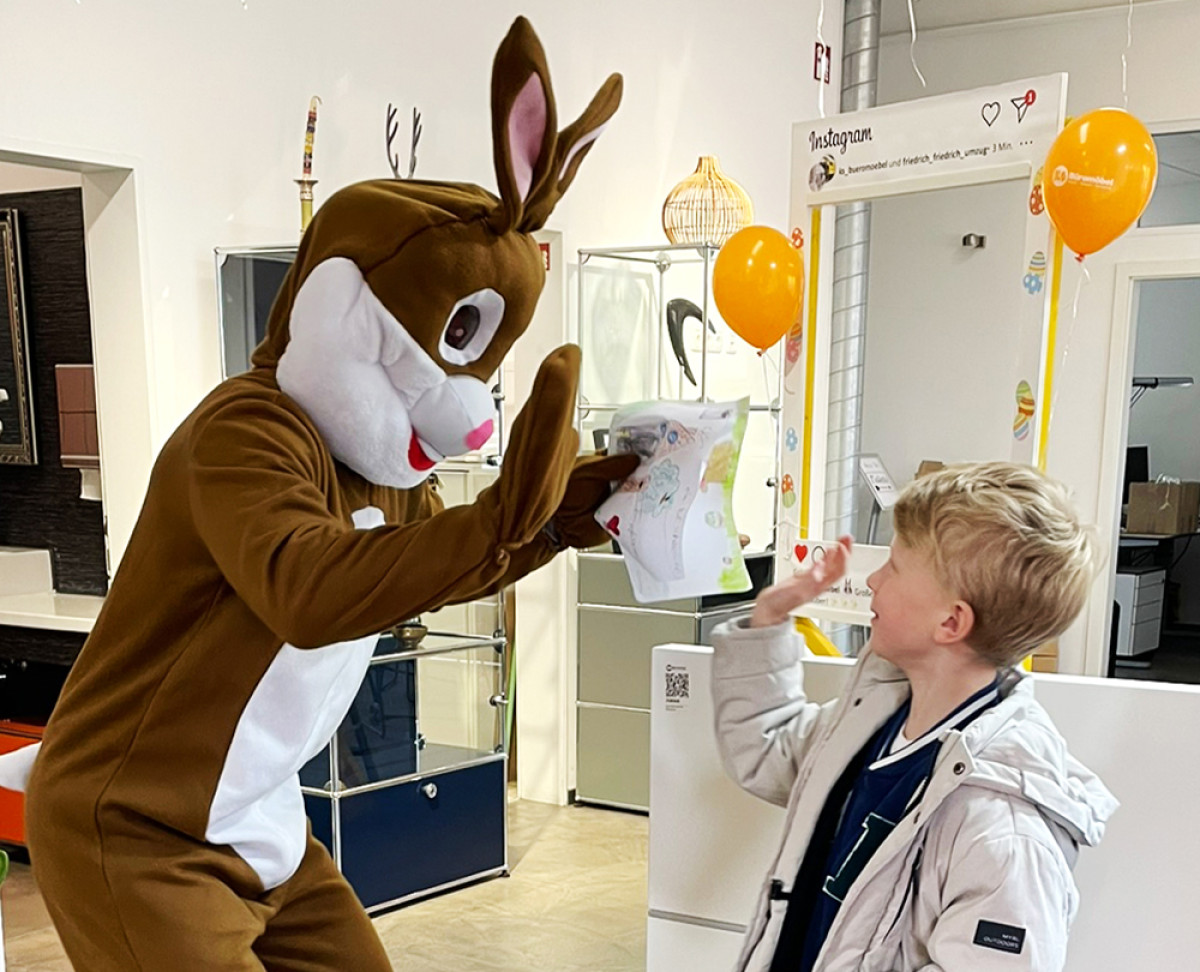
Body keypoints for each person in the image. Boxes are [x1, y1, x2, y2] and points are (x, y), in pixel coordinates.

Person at [6, 18, 633, 972]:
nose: (462, 407)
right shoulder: (247, 431)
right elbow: (308, 588)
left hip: (257, 814)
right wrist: (505, 516)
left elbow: (426, 570)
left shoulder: (377, 462)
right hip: (136, 825)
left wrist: (557, 518)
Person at [711, 461, 1118, 971]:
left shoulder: (1004, 834)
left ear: (950, 621)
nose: (875, 579)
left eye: (896, 566)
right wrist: (767, 622)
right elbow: (767, 753)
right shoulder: (874, 721)